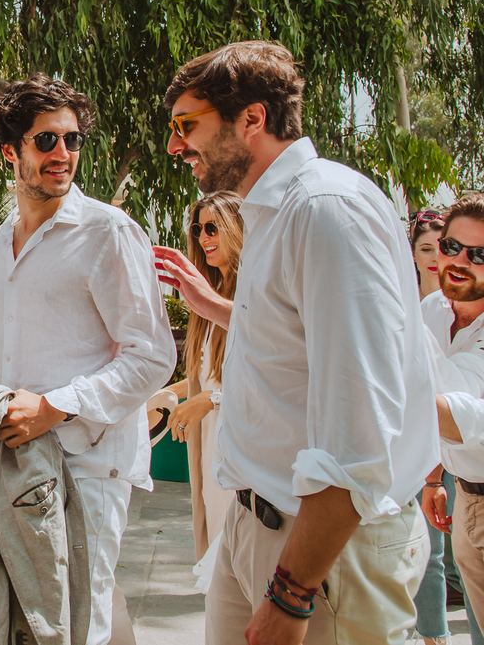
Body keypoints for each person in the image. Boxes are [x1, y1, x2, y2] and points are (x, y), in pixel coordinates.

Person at [163, 40, 435, 645]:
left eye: (188, 125)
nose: (176, 145)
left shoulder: (324, 210)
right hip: (255, 526)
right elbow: (289, 352)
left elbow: (357, 424)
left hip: (318, 554)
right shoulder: (272, 214)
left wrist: (292, 591)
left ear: (253, 119)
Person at [0, 73, 177, 645]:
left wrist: (56, 407)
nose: (64, 153)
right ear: (11, 151)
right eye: (46, 140)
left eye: (73, 139)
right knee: (18, 625)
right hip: (10, 469)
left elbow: (152, 355)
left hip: (86, 467)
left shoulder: (108, 232)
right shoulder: (4, 236)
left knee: (77, 624)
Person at [155, 190, 242, 591]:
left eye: (212, 227)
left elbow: (269, 374)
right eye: (198, 228)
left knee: (238, 560)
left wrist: (209, 401)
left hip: (240, 452)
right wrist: (160, 399)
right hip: (209, 448)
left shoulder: (249, 298)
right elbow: (204, 376)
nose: (204, 237)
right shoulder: (206, 301)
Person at [421, 193, 484, 644]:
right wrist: (432, 479)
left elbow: (459, 416)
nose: (460, 261)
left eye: (479, 255)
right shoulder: (432, 311)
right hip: (466, 496)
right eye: (451, 247)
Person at [410, 208, 456, 645]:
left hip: (462, 439)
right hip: (430, 446)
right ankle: (434, 635)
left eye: (445, 247)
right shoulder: (417, 308)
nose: (437, 257)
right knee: (432, 550)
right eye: (427, 248)